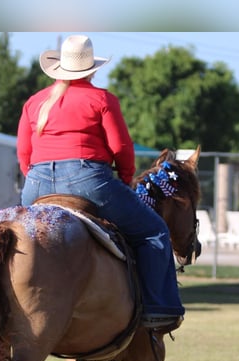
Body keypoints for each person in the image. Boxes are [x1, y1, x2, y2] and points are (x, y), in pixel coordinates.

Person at [17, 35, 184, 333]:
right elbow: (121, 147)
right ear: (91, 69)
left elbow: (24, 154)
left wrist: (39, 179)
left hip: (37, 184)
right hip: (89, 180)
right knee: (154, 231)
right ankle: (159, 309)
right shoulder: (102, 100)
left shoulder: (34, 103)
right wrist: (126, 178)